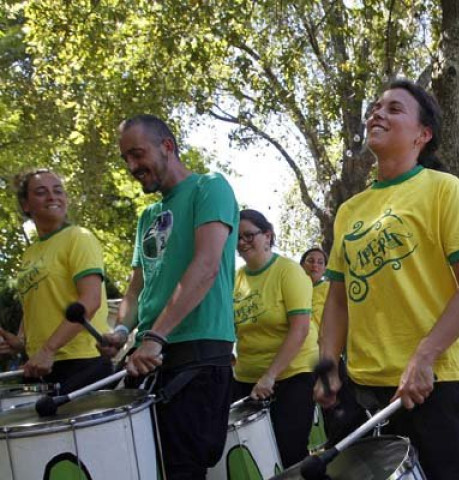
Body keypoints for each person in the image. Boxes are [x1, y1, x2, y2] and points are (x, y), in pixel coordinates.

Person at [314, 80, 459, 480]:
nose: (377, 113)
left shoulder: (443, 189)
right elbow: (337, 302)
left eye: (394, 109)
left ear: (422, 135)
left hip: (440, 387)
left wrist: (424, 357)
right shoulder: (349, 211)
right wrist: (327, 369)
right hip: (367, 396)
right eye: (376, 107)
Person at [101, 114, 238, 479]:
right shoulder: (147, 216)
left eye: (137, 154)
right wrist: (120, 331)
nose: (132, 166)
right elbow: (136, 287)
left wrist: (156, 337)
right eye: (125, 159)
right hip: (150, 358)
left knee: (184, 471)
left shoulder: (210, 187)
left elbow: (206, 265)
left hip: (196, 355)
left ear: (167, 146)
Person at [0, 169, 112, 394]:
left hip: (82, 361)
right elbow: (37, 307)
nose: (52, 197)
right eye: (42, 192)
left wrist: (48, 349)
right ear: (26, 205)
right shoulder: (30, 253)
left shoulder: (79, 237)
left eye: (58, 191)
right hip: (42, 366)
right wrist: (21, 342)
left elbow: (90, 301)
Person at [233, 209, 317, 467]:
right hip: (248, 379)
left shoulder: (288, 272)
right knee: (255, 457)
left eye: (249, 235)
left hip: (292, 375)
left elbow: (300, 329)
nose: (242, 242)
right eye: (237, 238)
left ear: (267, 235)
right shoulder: (235, 279)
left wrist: (270, 375)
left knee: (290, 450)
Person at [300, 247, 329, 331]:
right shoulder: (291, 287)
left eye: (320, 262)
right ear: (301, 265)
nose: (315, 265)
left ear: (324, 269)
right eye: (310, 261)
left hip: (322, 341)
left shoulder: (331, 289)